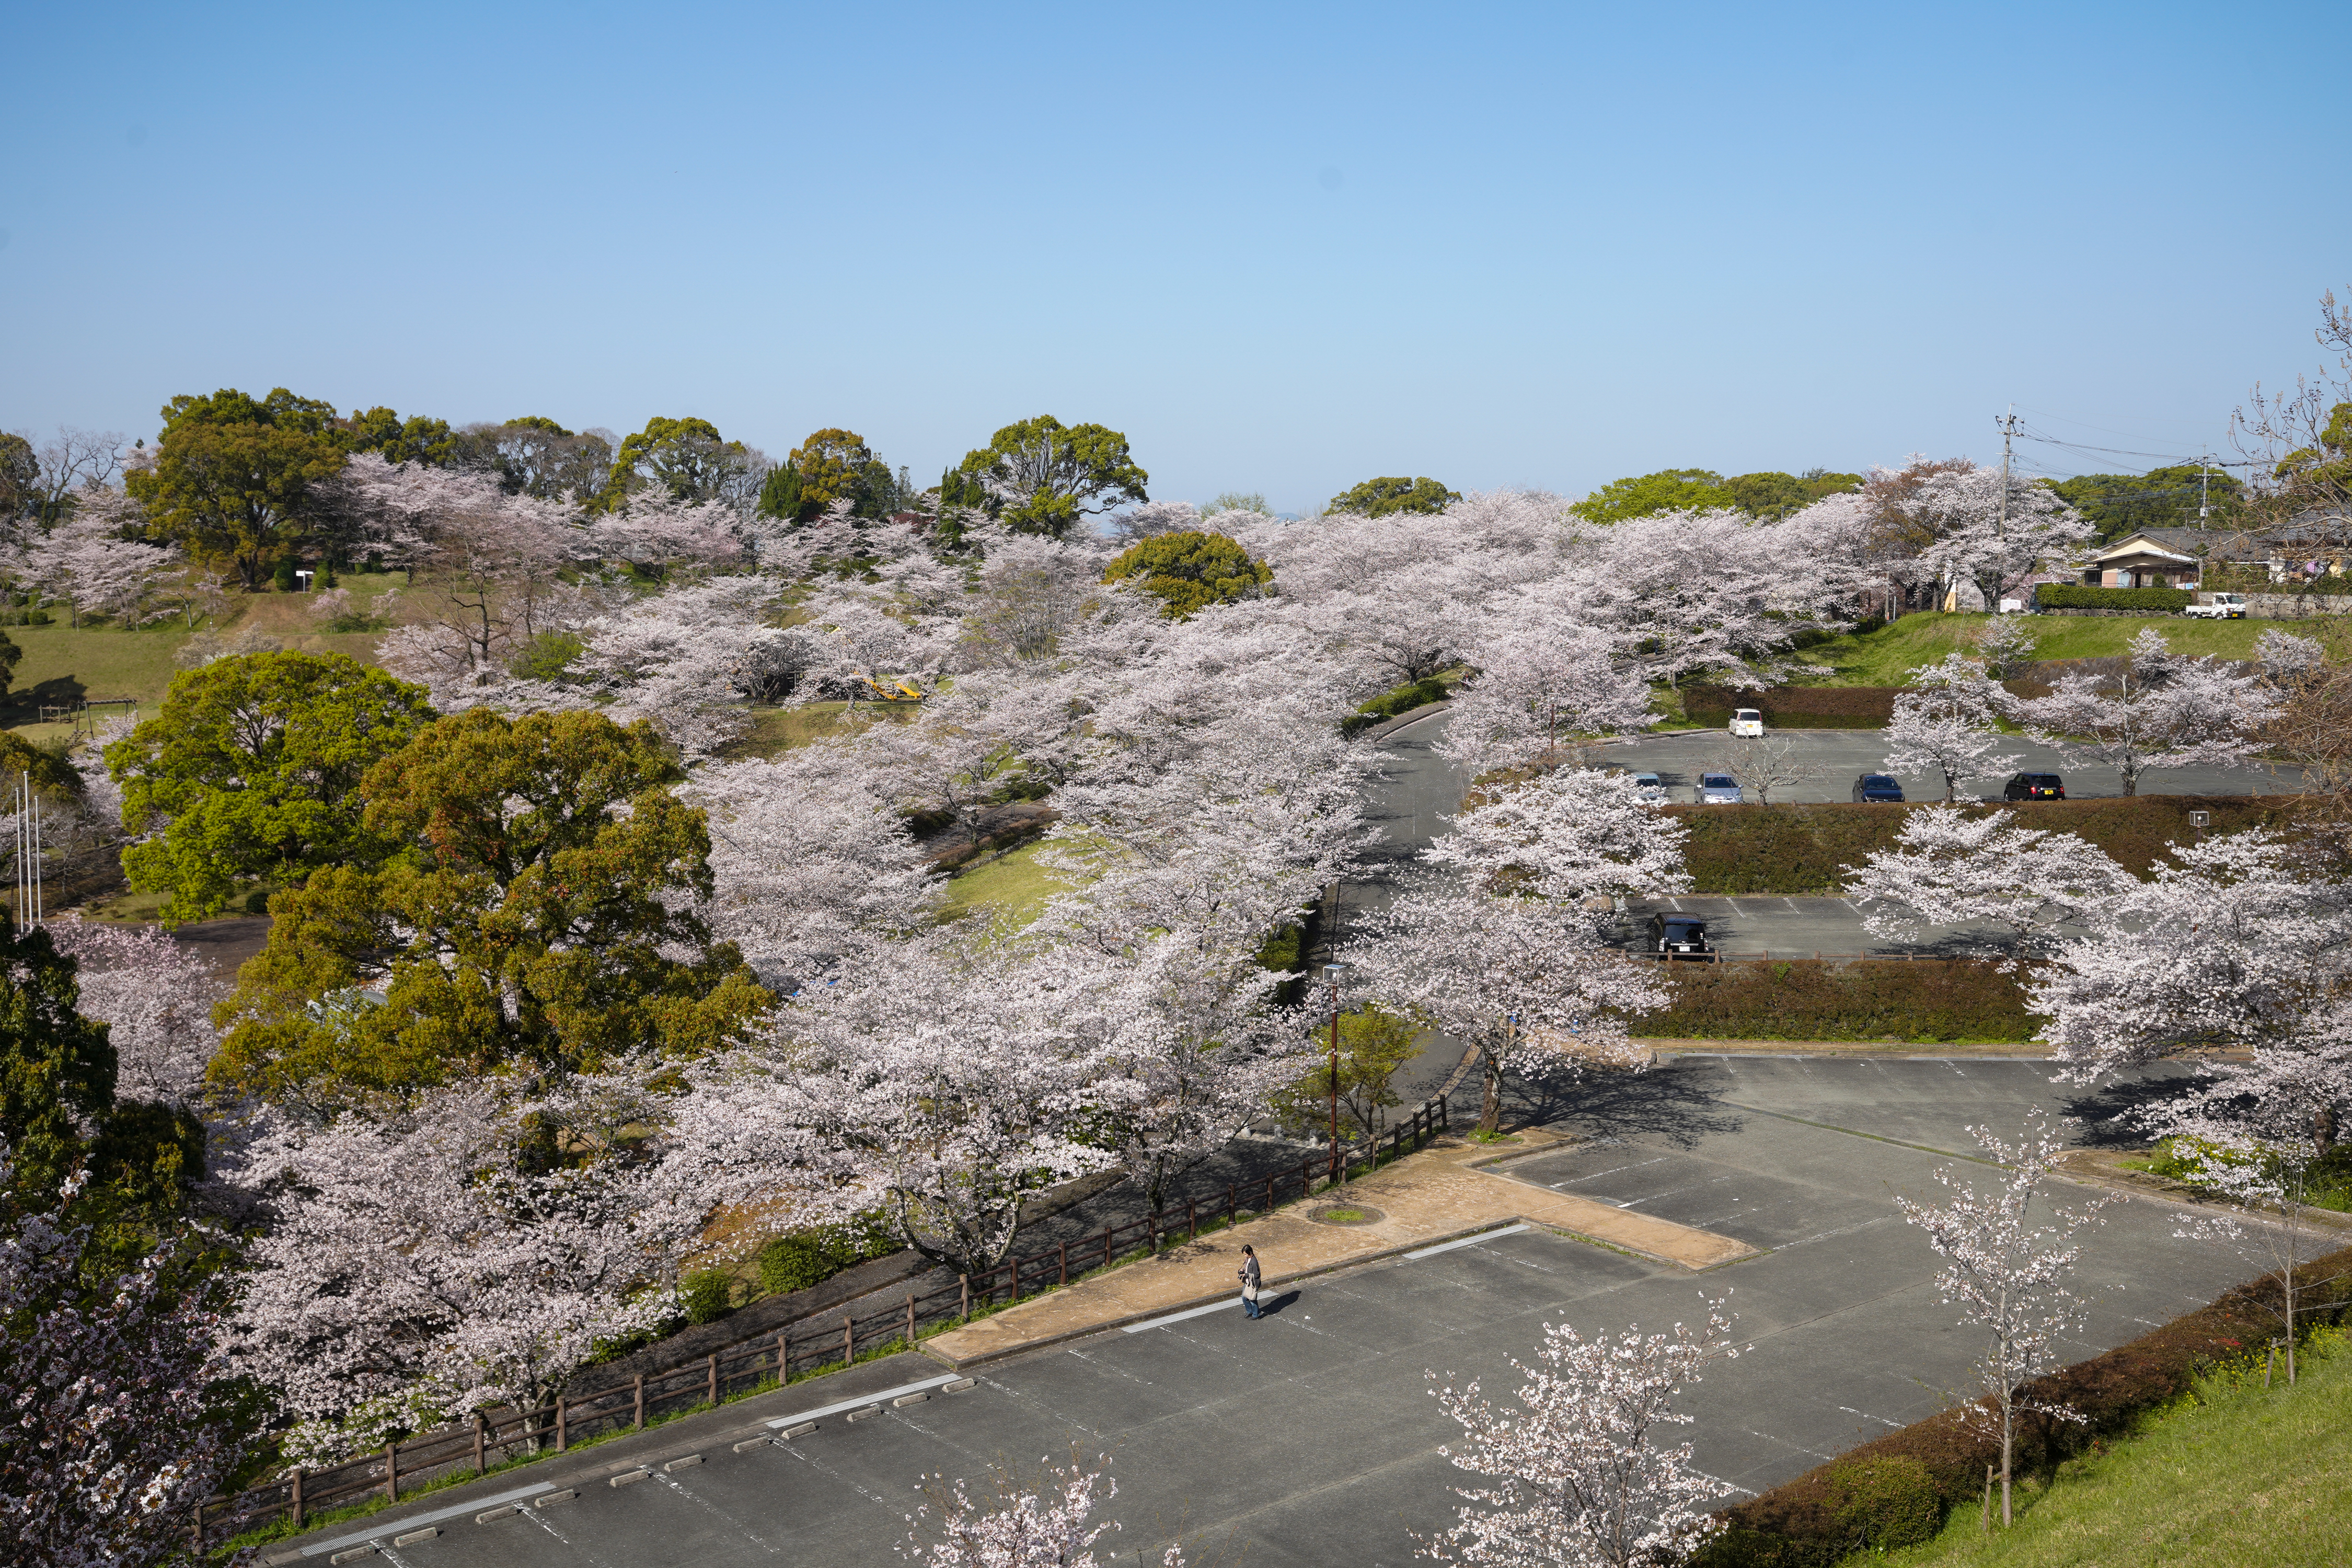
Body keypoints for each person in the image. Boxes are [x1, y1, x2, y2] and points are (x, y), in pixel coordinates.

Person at [1238, 1244, 1262, 1319]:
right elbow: (1247, 1268)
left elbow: (1257, 1275)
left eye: (1246, 1254)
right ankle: (1250, 1312)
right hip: (1247, 1282)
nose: (1245, 1256)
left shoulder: (1254, 1262)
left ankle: (1256, 1315)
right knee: (1244, 1297)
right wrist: (1243, 1270)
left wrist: (1246, 1275)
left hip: (1253, 1283)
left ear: (1250, 1252)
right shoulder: (1248, 1259)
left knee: (1252, 1299)